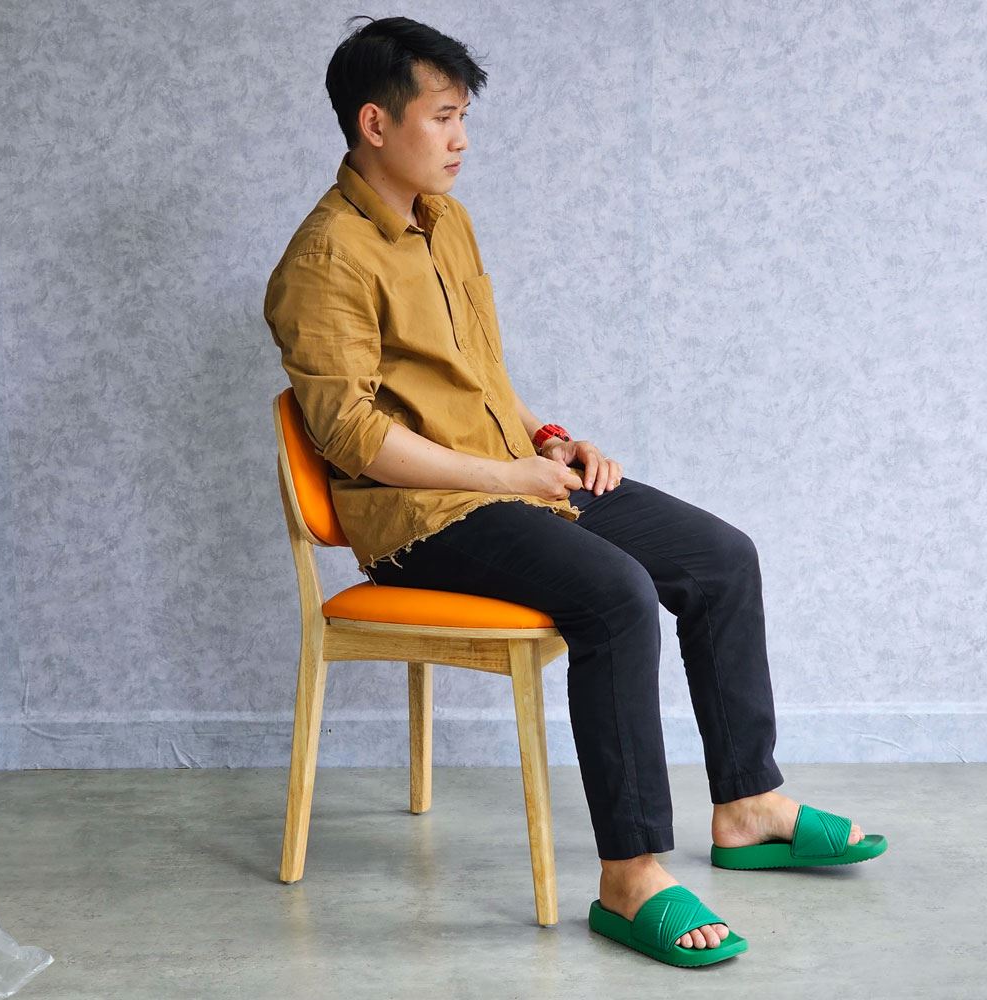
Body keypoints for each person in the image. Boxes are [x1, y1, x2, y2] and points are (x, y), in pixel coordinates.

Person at [263, 14, 886, 969]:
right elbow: (355, 438)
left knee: (721, 558)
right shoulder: (323, 260)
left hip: (512, 481)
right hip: (421, 520)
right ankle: (630, 875)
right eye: (442, 117)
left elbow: (477, 379)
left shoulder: (446, 222)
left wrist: (547, 439)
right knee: (617, 596)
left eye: (464, 116)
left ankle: (748, 804)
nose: (462, 138)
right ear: (375, 124)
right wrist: (507, 475)